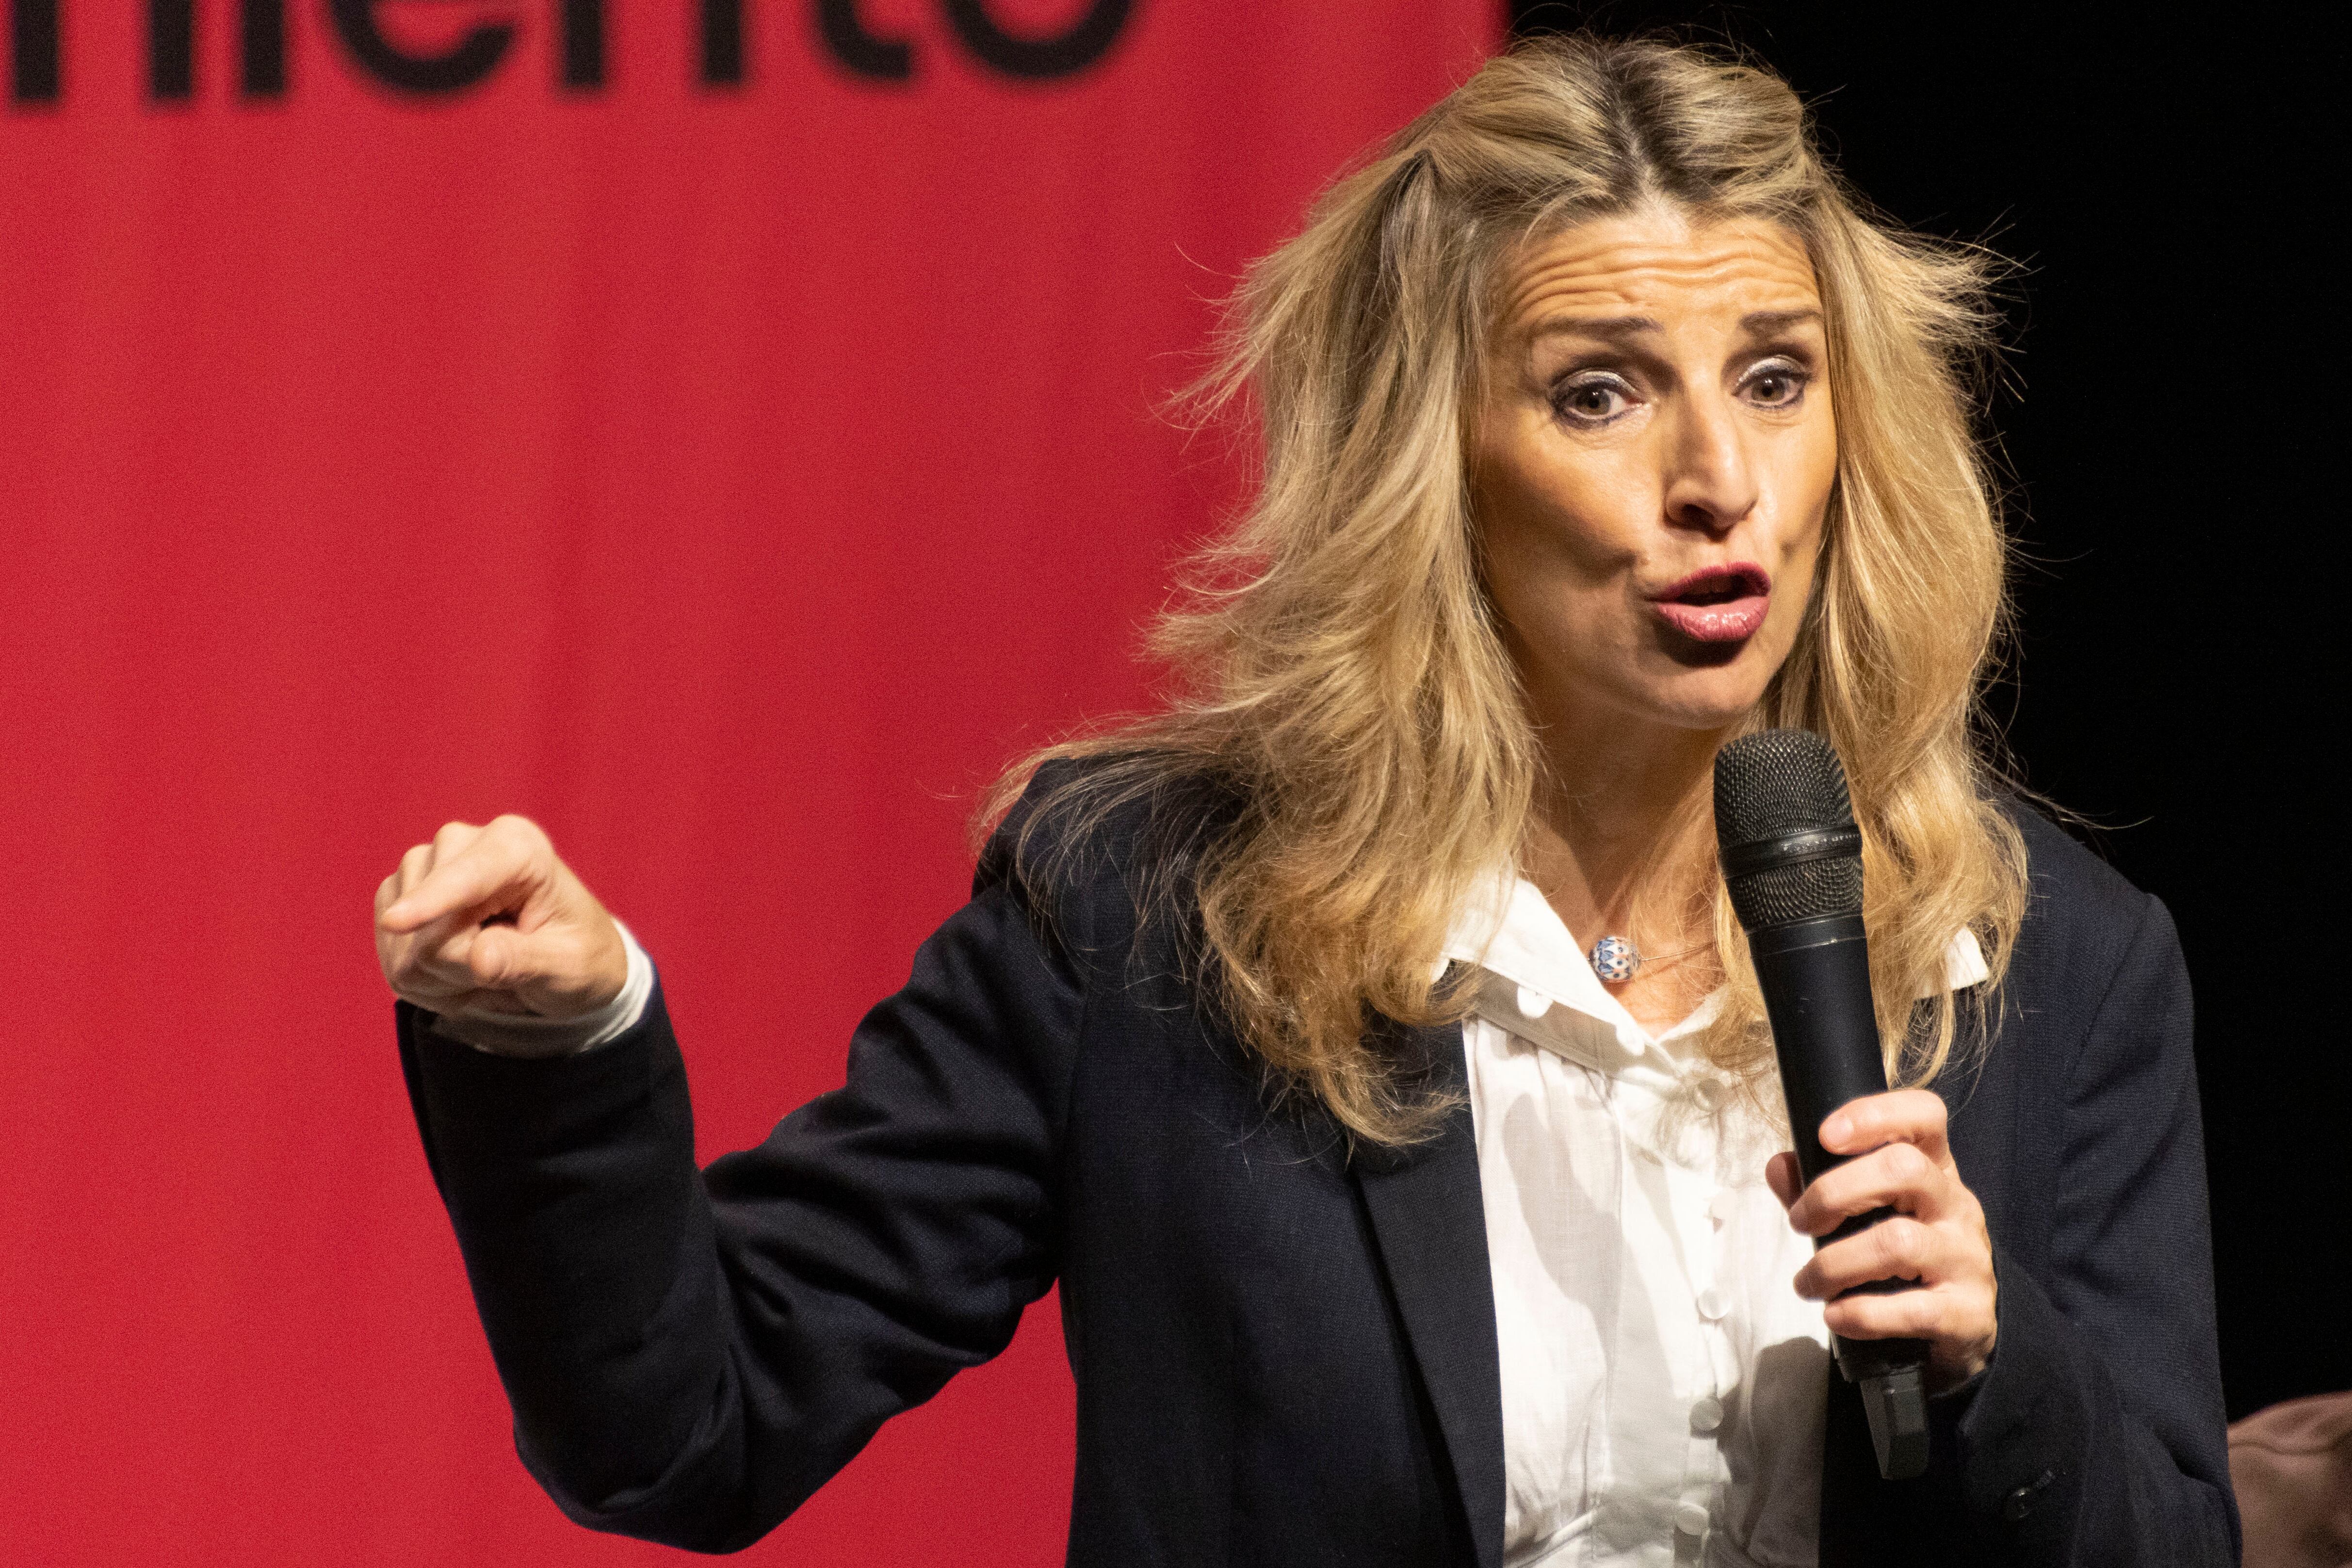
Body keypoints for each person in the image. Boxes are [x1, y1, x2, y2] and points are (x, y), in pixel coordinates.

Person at [373, 34, 2237, 1568]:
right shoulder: (1145, 913)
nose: (1715, 479)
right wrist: (570, 1046)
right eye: (1597, 394)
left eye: (1773, 379)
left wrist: (2000, 1371)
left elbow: (2171, 1533)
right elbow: (691, 1432)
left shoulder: (2057, 954)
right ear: (1432, 463)